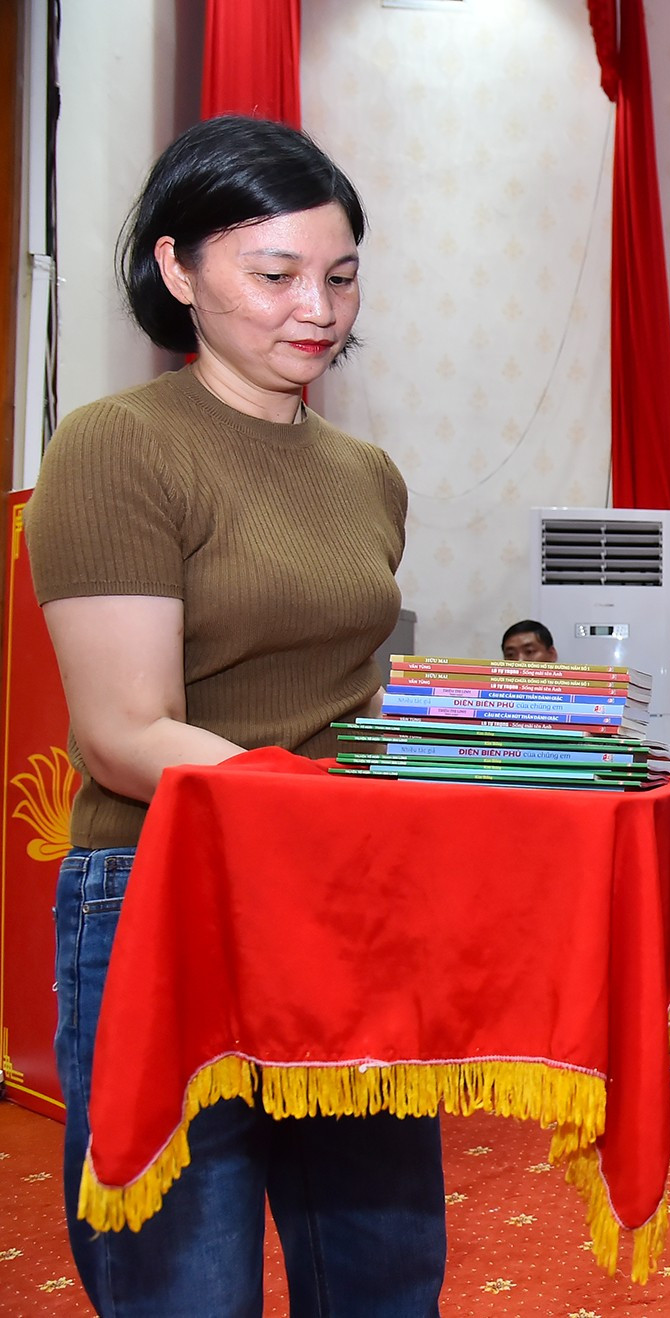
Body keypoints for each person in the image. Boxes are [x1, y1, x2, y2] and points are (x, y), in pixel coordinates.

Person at [25, 117, 445, 1315]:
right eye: (275, 275)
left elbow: (350, 701)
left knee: (382, 1270)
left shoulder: (368, 475)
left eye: (341, 273)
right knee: (183, 1276)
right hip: (168, 885)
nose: (317, 307)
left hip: (345, 903)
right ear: (178, 271)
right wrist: (319, 808)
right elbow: (125, 729)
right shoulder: (117, 445)